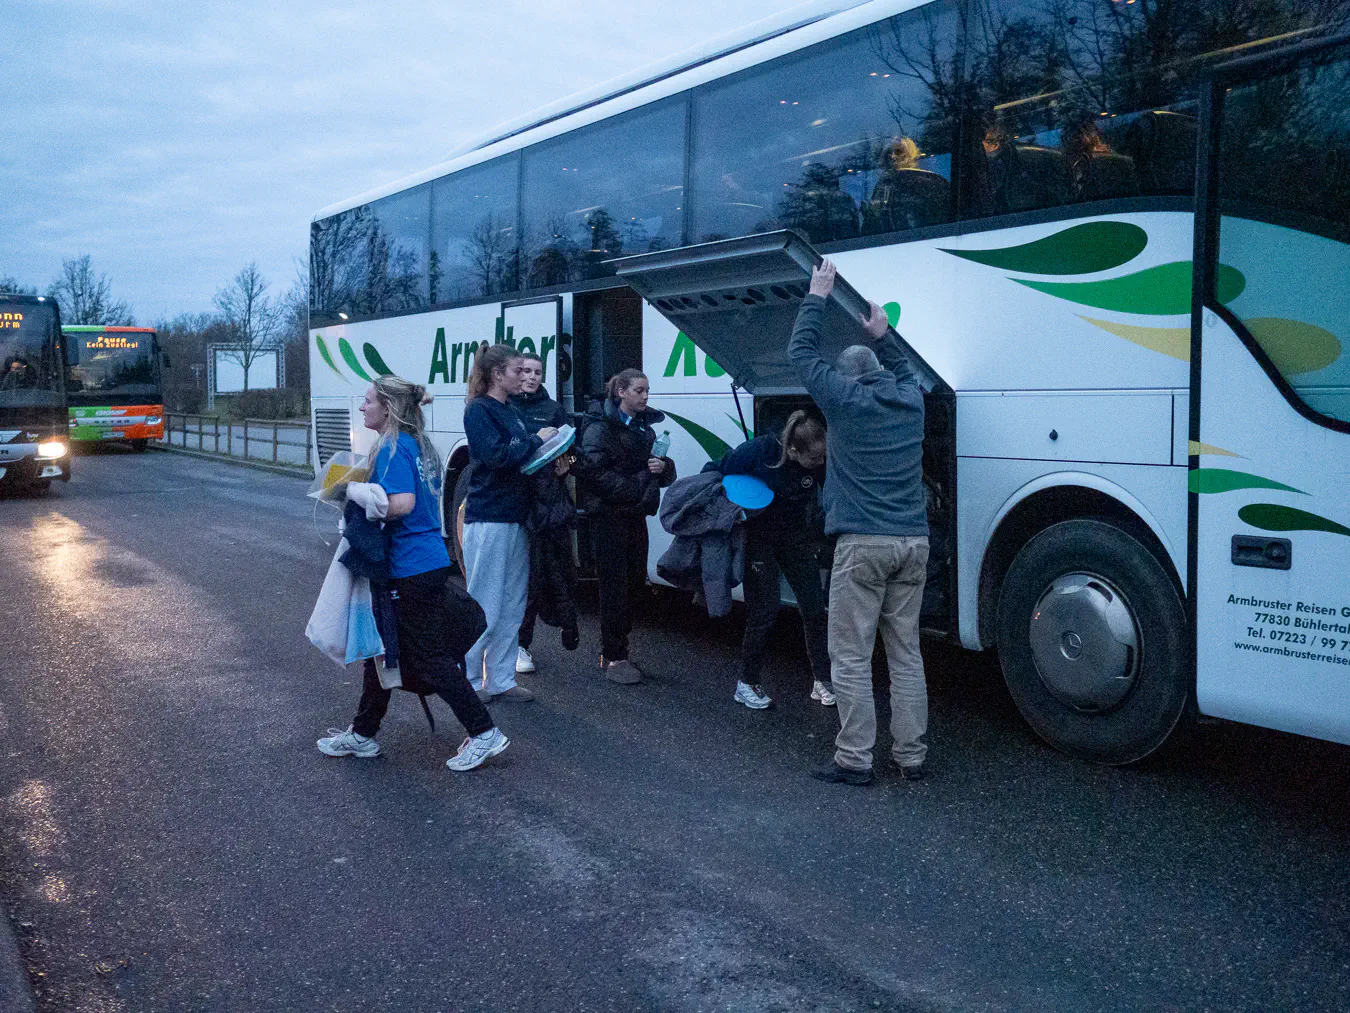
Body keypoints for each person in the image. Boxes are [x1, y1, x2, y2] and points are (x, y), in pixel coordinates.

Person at [317, 375, 509, 772]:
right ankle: (364, 733)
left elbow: (401, 503)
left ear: (387, 407)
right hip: (427, 560)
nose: (362, 407)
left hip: (409, 568)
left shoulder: (391, 447)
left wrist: (351, 492)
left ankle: (485, 732)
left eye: (368, 401)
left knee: (429, 659)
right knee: (381, 651)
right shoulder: (419, 445)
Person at [788, 259, 930, 785]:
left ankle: (854, 760)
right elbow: (907, 372)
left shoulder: (845, 402)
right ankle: (911, 758)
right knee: (906, 655)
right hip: (913, 543)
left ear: (846, 380)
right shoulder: (912, 400)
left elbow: (800, 355)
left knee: (849, 656)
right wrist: (884, 336)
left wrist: (816, 297)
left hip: (863, 545)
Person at [705, 412, 834, 711]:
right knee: (765, 610)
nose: (820, 465)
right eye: (814, 460)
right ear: (792, 451)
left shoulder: (818, 460)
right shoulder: (758, 451)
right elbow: (715, 474)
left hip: (795, 537)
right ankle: (746, 684)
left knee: (815, 607)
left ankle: (822, 680)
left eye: (823, 457)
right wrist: (734, 509)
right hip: (757, 538)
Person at [462, 343, 557, 702]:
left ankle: (500, 679)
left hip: (515, 516)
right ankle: (469, 679)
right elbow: (496, 456)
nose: (525, 377)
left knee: (513, 601)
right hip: (489, 516)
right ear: (497, 374)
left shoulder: (509, 409)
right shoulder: (479, 411)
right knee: (485, 600)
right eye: (518, 370)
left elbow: (517, 455)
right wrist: (536, 440)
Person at [573, 368, 675, 684]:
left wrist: (664, 468)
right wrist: (637, 487)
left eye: (647, 390)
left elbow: (659, 473)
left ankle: (620, 650)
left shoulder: (645, 428)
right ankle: (613, 655)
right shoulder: (599, 428)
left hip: (634, 515)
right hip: (608, 517)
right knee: (614, 586)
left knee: (633, 583)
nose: (645, 396)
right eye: (639, 390)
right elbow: (592, 473)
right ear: (621, 392)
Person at [510, 351, 575, 675]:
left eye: (537, 372)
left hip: (550, 504)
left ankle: (564, 626)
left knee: (553, 573)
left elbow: (572, 450)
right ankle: (520, 645)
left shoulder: (552, 409)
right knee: (525, 580)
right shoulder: (506, 408)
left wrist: (568, 465)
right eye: (526, 371)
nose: (532, 377)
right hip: (518, 504)